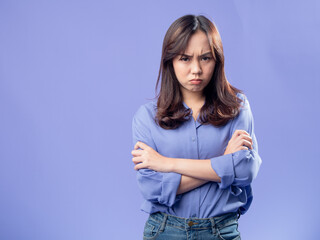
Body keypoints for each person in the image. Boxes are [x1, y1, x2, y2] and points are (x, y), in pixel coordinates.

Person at [131, 14, 262, 240]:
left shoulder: (237, 107)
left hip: (221, 231)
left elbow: (245, 171)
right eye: (184, 58)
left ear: (217, 60)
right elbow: (152, 189)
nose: (196, 70)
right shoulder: (147, 118)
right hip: (164, 231)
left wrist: (167, 164)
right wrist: (224, 165)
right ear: (170, 61)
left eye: (205, 58)